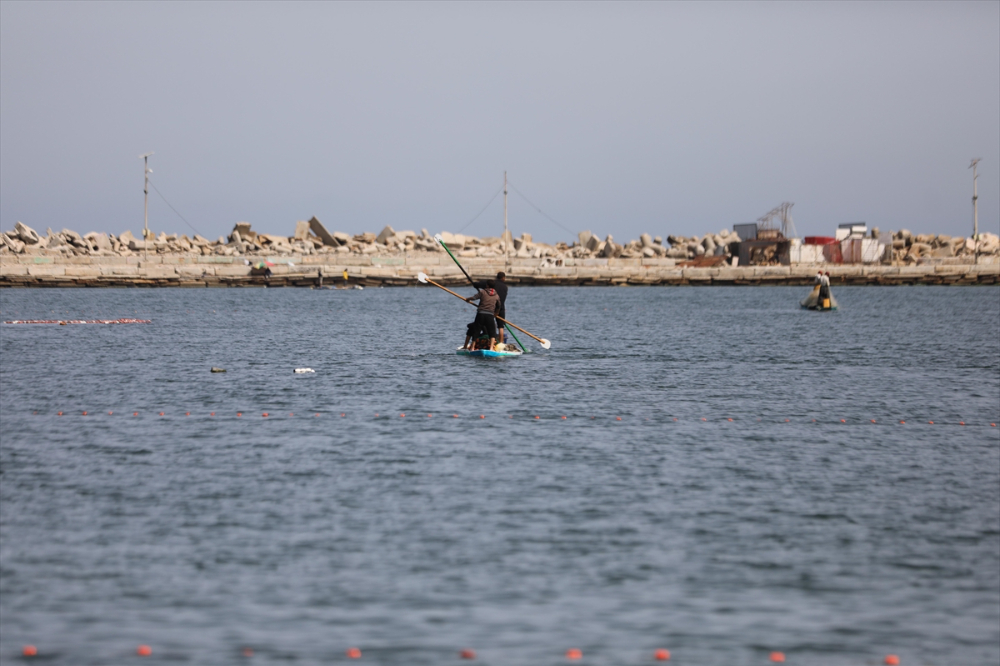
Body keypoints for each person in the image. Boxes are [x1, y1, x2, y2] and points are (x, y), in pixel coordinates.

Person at [464, 279, 501, 350]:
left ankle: (472, 347)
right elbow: (498, 306)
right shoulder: (496, 295)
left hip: (481, 314)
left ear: (487, 285)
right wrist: (496, 313)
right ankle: (491, 348)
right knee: (492, 332)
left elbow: (474, 297)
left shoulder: (482, 292)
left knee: (476, 330)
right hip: (490, 315)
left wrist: (468, 299)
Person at [474, 272, 508, 342]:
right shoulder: (505, 287)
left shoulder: (492, 283)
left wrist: (475, 285)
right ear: (503, 278)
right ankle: (501, 343)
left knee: (487, 324)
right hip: (501, 308)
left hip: (490, 307)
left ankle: (487, 340)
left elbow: (478, 284)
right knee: (501, 327)